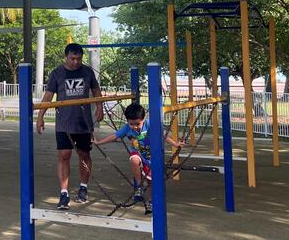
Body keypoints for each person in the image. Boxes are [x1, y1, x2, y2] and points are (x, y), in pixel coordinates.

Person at [36, 43, 103, 210]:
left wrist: (100, 107)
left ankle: (83, 187)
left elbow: (96, 90)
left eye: (79, 59)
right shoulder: (57, 73)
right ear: (66, 57)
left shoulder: (87, 72)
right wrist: (40, 117)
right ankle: (64, 193)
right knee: (64, 155)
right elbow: (48, 96)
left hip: (84, 123)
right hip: (64, 123)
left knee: (84, 154)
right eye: (72, 59)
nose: (76, 62)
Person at [94, 102, 185, 208]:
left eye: (137, 124)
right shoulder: (127, 128)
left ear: (143, 119)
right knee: (134, 159)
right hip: (137, 153)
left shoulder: (149, 124)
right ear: (127, 121)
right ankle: (139, 186)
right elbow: (115, 136)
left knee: (151, 181)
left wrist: (175, 144)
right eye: (131, 124)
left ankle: (152, 201)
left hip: (151, 156)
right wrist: (99, 142)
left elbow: (163, 135)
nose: (134, 127)